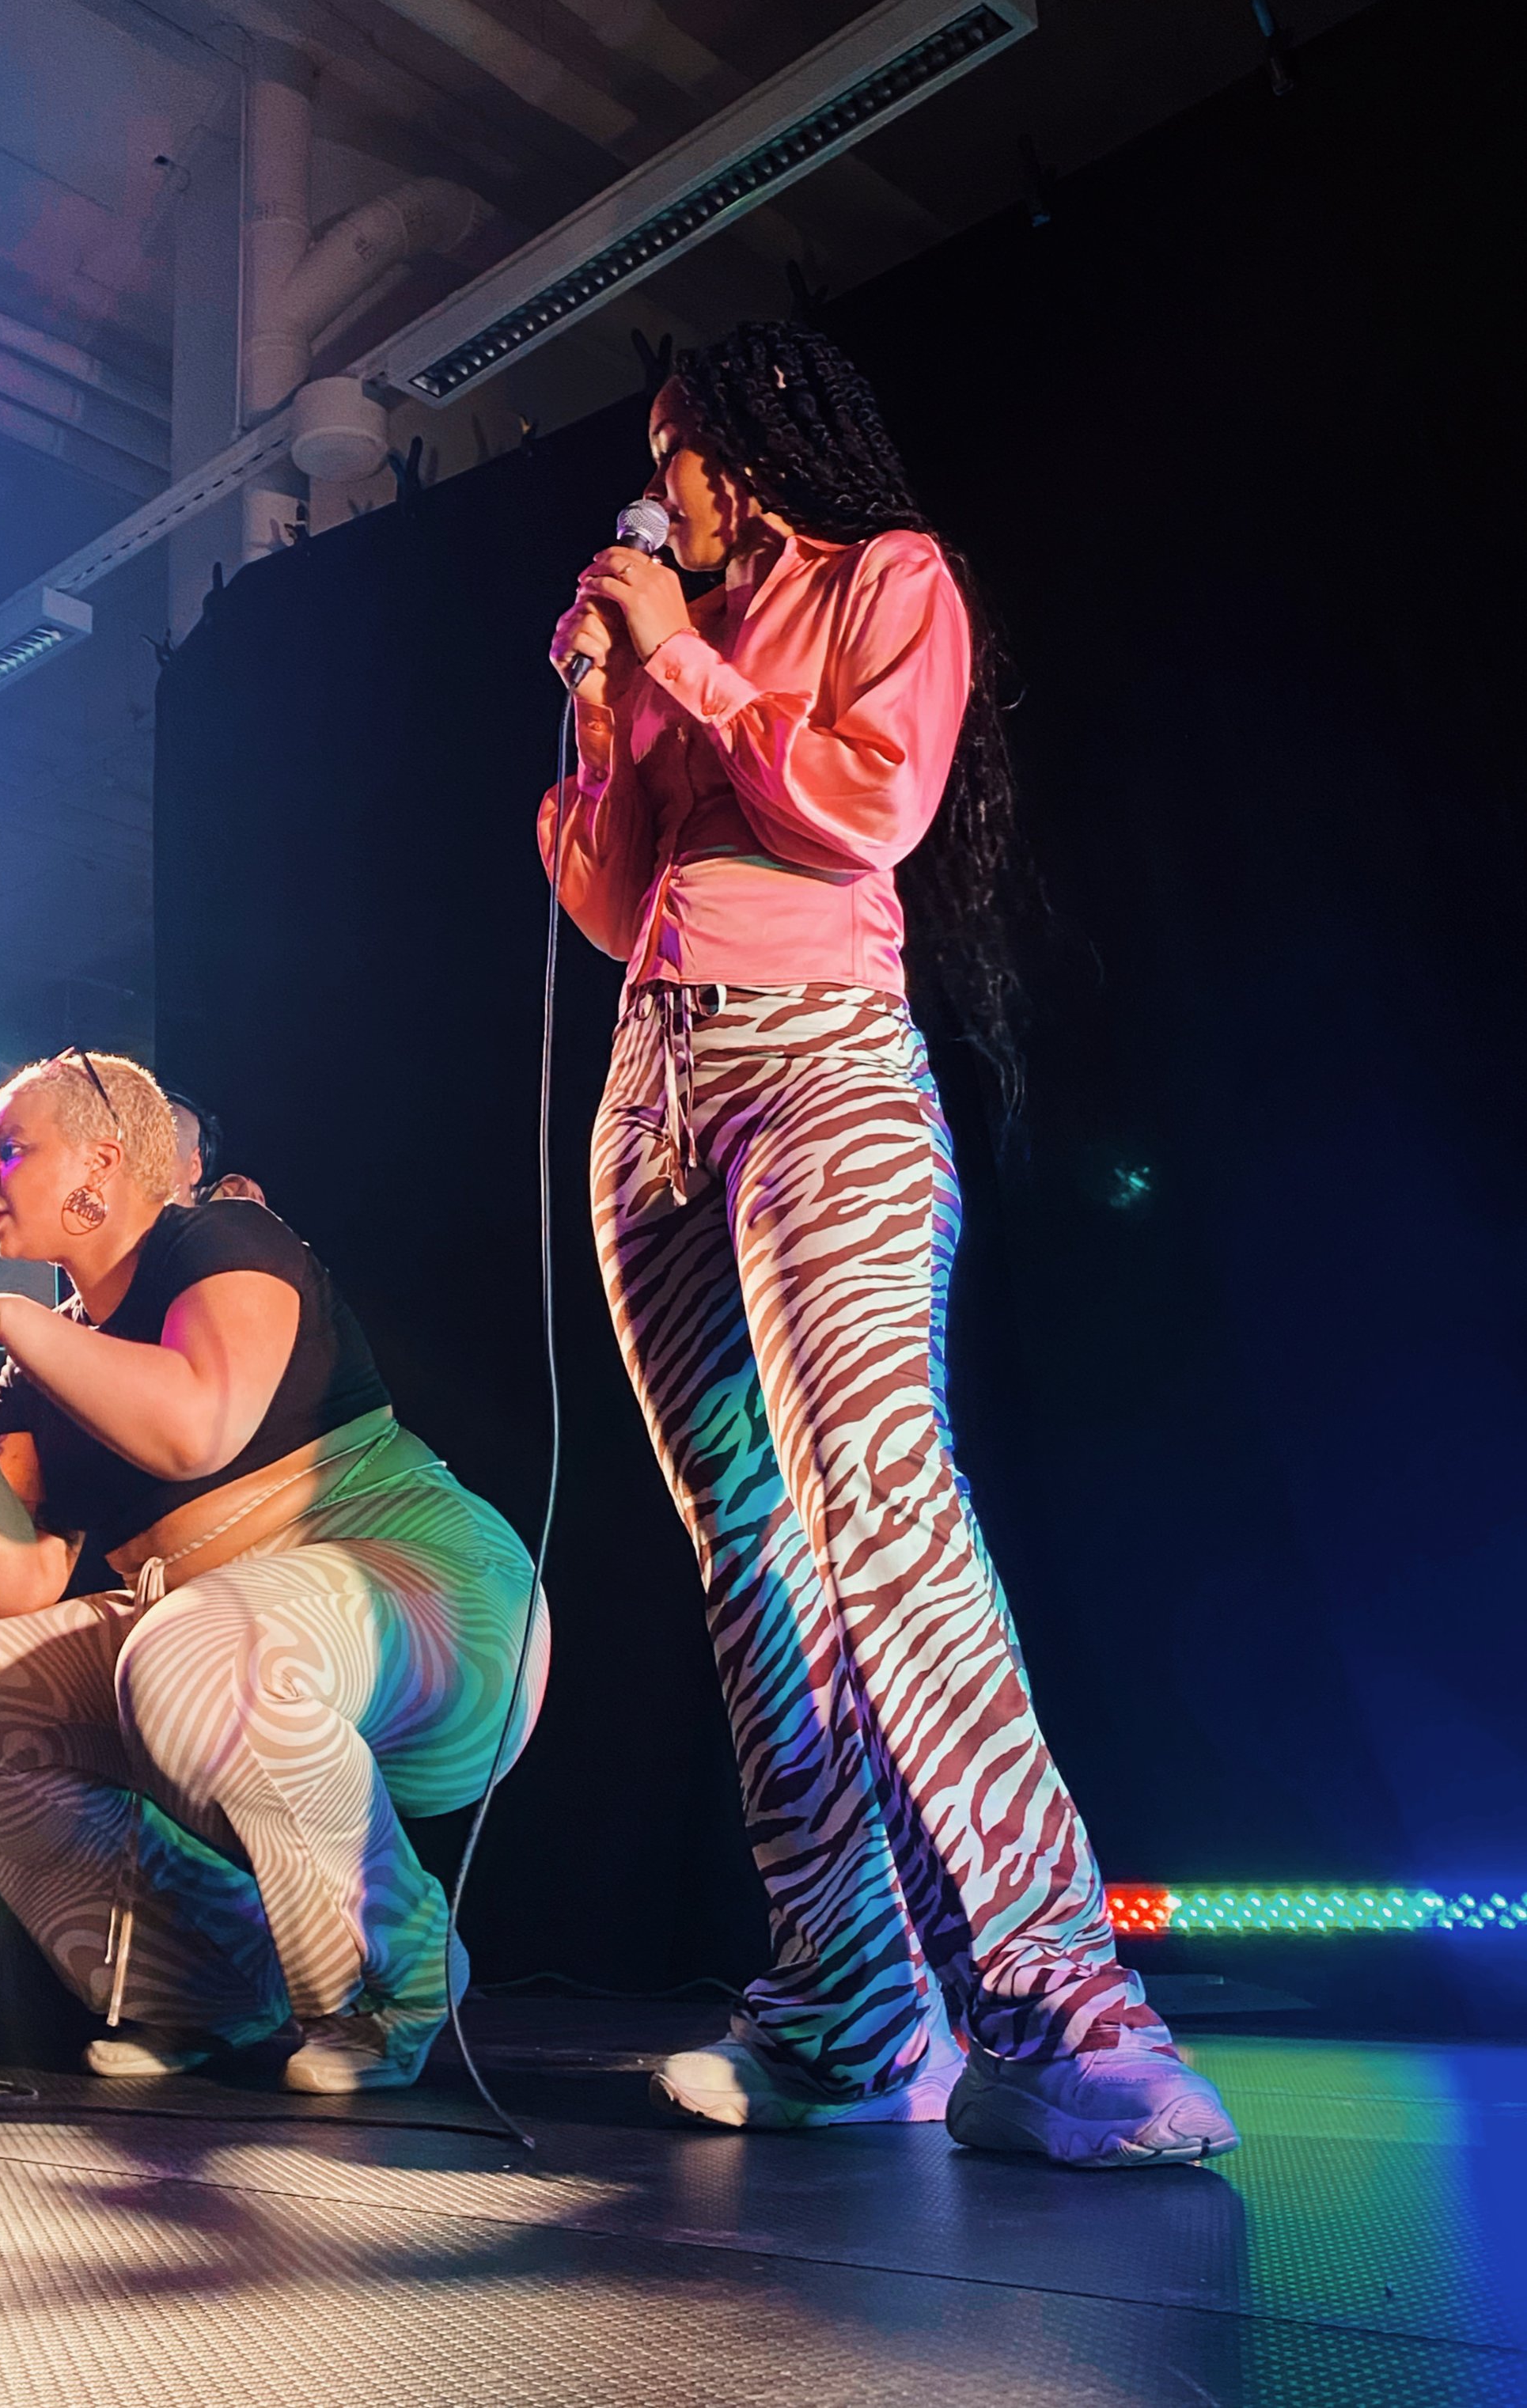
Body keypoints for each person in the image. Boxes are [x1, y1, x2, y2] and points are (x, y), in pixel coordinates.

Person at [540, 320, 1235, 2166]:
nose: (657, 491)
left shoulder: (886, 581)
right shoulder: (663, 638)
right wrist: (609, 701)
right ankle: (850, 2010)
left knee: (879, 1508)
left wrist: (678, 655)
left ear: (730, 449)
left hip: (820, 1073)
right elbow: (611, 902)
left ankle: (1066, 2009)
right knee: (746, 1557)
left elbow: (865, 802)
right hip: (652, 1101)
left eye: (668, 454)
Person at [0, 1050, 547, 2092]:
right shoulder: (41, 1369)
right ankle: (210, 1979)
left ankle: (395, 1977)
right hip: (212, 1642)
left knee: (194, 1648)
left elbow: (198, 1424)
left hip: (444, 1611)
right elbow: (9, 1587)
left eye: (11, 1149)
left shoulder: (225, 1241)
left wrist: (15, 1319)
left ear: (100, 1165)